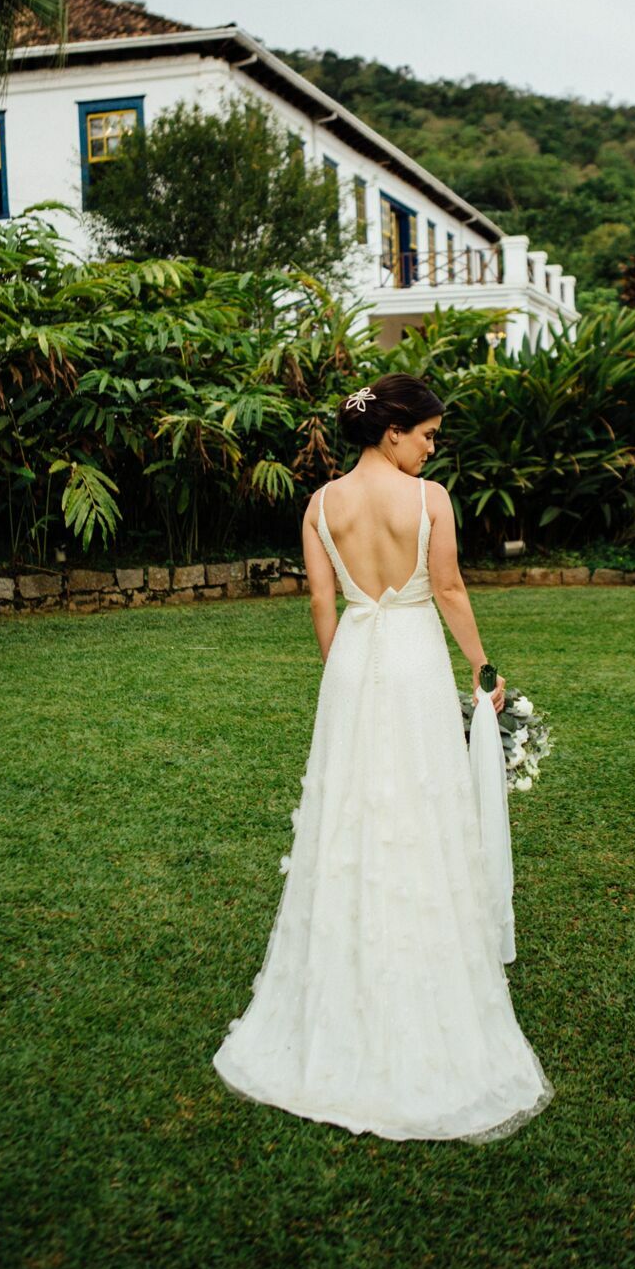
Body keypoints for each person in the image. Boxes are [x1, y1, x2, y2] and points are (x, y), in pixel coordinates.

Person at [212, 374, 554, 1142]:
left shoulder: (320, 504)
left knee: (350, 818)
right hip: (411, 663)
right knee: (421, 812)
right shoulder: (427, 499)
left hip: (354, 667)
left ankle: (338, 985)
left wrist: (343, 675)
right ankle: (422, 975)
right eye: (427, 434)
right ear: (392, 431)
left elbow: (320, 604)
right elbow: (449, 586)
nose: (432, 448)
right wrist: (481, 669)